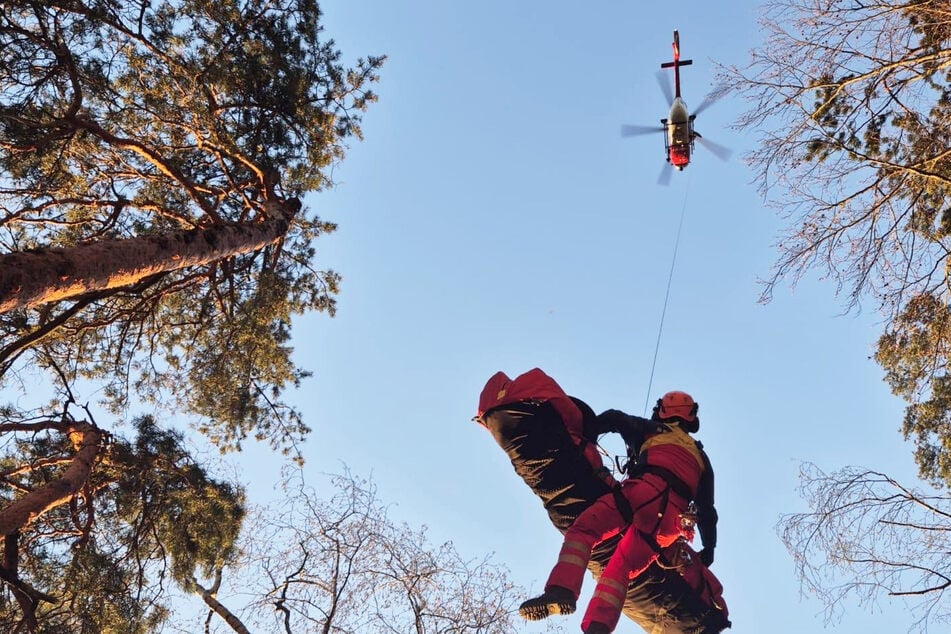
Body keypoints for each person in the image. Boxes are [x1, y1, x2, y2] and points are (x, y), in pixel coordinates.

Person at [518, 390, 718, 634]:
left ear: (661, 412)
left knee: (583, 530)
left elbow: (615, 417)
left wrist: (589, 431)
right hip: (671, 523)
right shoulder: (702, 459)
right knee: (620, 570)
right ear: (691, 417)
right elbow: (707, 511)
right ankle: (598, 628)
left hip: (643, 492)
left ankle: (562, 590)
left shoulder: (654, 431)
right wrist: (709, 549)